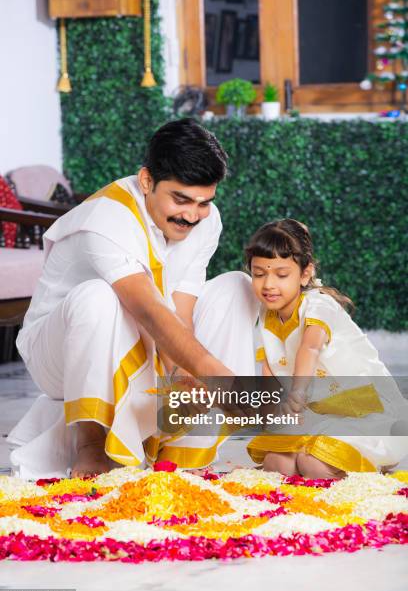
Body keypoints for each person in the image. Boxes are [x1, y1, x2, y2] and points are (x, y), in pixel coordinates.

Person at [8, 118, 259, 479]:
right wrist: (222, 378)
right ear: (147, 181)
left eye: (204, 202)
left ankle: (183, 447)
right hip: (58, 353)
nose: (192, 215)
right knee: (100, 297)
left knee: (236, 284)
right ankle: (90, 444)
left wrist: (180, 375)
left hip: (143, 335)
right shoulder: (108, 218)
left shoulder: (206, 220)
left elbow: (180, 308)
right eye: (181, 199)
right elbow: (150, 311)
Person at [244, 219, 408, 478]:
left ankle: (376, 459)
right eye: (259, 274)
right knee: (278, 465)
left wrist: (297, 394)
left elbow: (309, 348)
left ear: (305, 273)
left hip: (363, 408)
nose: (268, 285)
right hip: (315, 412)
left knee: (314, 466)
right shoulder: (265, 316)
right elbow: (269, 372)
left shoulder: (319, 305)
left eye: (281, 274)